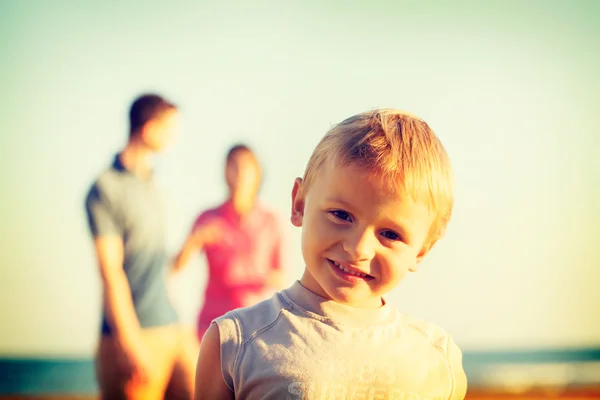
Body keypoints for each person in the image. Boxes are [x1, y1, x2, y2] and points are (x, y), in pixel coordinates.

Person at [194, 110, 468, 399]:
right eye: (341, 215)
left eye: (390, 234)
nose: (358, 248)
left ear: (421, 251)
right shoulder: (234, 344)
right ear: (299, 204)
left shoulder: (437, 360)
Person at [85, 94, 197, 400]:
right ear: (148, 130)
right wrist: (130, 343)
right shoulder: (105, 188)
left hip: (173, 329)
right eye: (170, 129)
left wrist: (192, 244)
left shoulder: (154, 185)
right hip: (133, 336)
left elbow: (158, 267)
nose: (175, 137)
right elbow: (111, 272)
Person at [172, 144, 285, 342]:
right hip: (212, 325)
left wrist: (247, 274)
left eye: (246, 167)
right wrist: (195, 240)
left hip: (255, 326)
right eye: (234, 166)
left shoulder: (271, 221)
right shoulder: (207, 218)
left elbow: (280, 276)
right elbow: (176, 267)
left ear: (257, 174)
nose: (240, 173)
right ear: (225, 172)